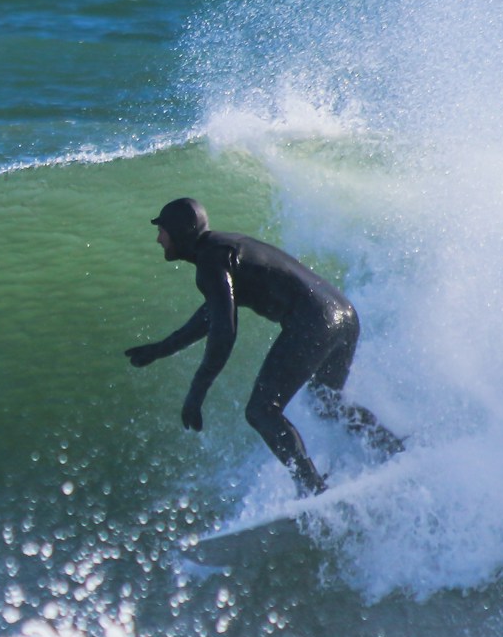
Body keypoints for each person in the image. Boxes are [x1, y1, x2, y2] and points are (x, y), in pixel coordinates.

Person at [124, 197, 403, 495]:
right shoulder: (221, 250)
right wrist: (159, 350)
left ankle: (312, 488)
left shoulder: (212, 260)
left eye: (162, 231)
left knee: (261, 411)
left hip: (315, 321)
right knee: (326, 403)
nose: (158, 239)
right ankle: (393, 448)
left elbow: (224, 332)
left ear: (182, 230)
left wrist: (196, 393)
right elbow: (211, 316)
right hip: (343, 315)